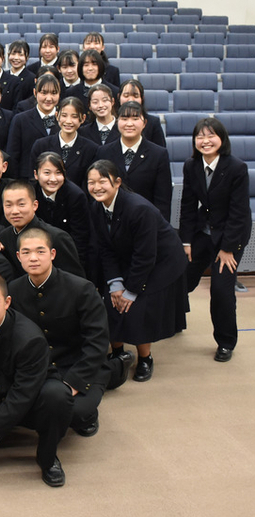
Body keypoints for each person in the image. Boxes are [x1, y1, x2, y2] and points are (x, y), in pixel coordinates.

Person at [0, 271, 74, 487]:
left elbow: (22, 395)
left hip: (30, 402)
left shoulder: (29, 338)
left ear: (7, 302)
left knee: (57, 396)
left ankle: (48, 458)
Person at [9, 228, 133, 438]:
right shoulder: (12, 290)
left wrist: (75, 382)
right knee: (27, 411)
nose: (33, 258)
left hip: (80, 364)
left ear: (52, 254)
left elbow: (97, 342)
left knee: (75, 413)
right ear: (18, 256)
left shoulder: (81, 289)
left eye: (40, 251)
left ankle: (114, 372)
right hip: (41, 367)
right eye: (27, 252)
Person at [86, 160, 189, 382]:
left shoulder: (139, 209)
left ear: (117, 182)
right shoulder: (96, 207)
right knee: (109, 301)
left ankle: (145, 358)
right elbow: (105, 248)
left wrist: (130, 291)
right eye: (91, 182)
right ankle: (117, 353)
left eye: (102, 181)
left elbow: (146, 256)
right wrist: (115, 285)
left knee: (138, 306)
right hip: (128, 256)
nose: (96, 187)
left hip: (162, 260)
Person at [179, 118, 252, 362]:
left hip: (231, 234)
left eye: (211, 135)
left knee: (221, 289)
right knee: (180, 275)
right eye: (200, 136)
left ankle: (225, 342)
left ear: (222, 139)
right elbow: (188, 205)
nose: (205, 140)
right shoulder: (191, 165)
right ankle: (174, 320)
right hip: (204, 230)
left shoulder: (236, 167)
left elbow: (239, 213)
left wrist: (228, 249)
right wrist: (186, 242)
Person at [0, 180, 85, 279]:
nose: (14, 211)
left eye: (21, 204)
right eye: (8, 205)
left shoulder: (56, 237)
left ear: (35, 205)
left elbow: (76, 280)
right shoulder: (5, 236)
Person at [95, 101, 172, 220]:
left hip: (146, 220)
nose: (129, 124)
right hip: (111, 220)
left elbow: (163, 200)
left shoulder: (158, 154)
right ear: (117, 122)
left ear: (144, 123)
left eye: (135, 118)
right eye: (124, 118)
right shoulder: (103, 152)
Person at [29, 152, 91, 269]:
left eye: (58, 173)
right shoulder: (30, 192)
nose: (53, 179)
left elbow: (80, 237)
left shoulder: (75, 196)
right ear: (36, 174)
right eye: (47, 173)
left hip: (66, 253)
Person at [30, 97, 99, 188]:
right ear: (57, 115)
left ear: (82, 118)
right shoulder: (41, 145)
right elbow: (32, 178)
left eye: (74, 116)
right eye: (64, 115)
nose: (68, 121)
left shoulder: (91, 149)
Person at [6, 74, 61, 179]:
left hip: (56, 180)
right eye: (44, 93)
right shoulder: (20, 119)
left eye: (54, 93)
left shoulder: (64, 121)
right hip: (27, 179)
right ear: (35, 93)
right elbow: (13, 155)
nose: (49, 98)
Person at [117, 79, 167, 148]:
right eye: (126, 96)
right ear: (119, 97)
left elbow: (160, 150)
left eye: (136, 96)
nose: (131, 100)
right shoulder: (112, 120)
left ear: (142, 98)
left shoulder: (153, 122)